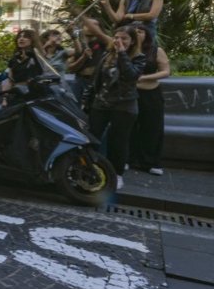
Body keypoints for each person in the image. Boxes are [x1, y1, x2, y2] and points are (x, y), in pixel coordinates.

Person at [88, 25, 146, 190]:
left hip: (124, 106)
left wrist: (122, 53)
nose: (119, 41)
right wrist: (90, 100)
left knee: (118, 141)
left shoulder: (138, 57)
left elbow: (130, 76)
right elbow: (97, 81)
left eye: (124, 38)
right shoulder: (107, 56)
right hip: (102, 103)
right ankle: (93, 170)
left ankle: (116, 174)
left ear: (132, 41)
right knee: (93, 138)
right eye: (116, 38)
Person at [129, 22, 171, 176]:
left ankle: (151, 162)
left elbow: (166, 71)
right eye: (134, 31)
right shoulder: (126, 50)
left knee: (152, 128)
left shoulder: (156, 50)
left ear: (147, 34)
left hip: (151, 94)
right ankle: (128, 159)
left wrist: (144, 78)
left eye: (141, 31)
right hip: (130, 95)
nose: (137, 33)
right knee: (129, 128)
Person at [67, 17, 112, 105]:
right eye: (87, 25)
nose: (90, 27)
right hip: (79, 81)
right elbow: (71, 68)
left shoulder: (103, 42)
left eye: (94, 25)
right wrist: (83, 57)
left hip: (95, 83)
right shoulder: (80, 44)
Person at [2, 29, 44, 95]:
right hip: (18, 92)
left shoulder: (37, 57)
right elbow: (9, 80)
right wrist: (5, 98)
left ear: (32, 40)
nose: (21, 39)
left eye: (25, 37)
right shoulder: (14, 58)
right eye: (19, 37)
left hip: (34, 93)